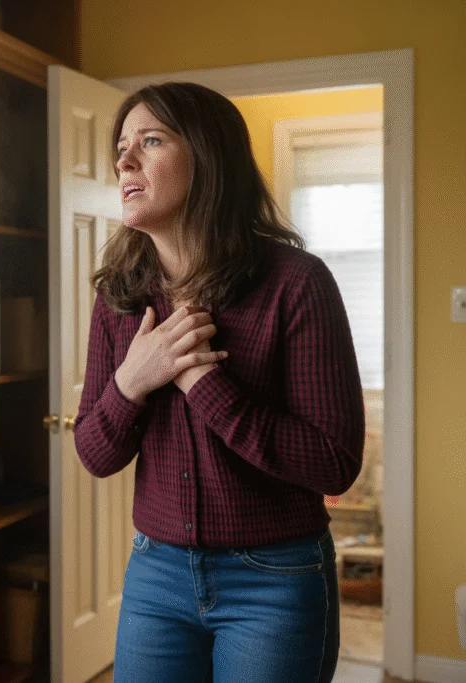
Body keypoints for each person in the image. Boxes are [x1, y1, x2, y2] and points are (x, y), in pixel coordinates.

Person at [73, 82, 365, 683]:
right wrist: (133, 379)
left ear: (208, 157)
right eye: (122, 146)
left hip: (276, 580)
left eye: (150, 141)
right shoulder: (119, 297)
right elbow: (95, 454)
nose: (124, 161)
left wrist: (203, 384)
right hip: (155, 577)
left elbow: (334, 463)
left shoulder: (296, 283)